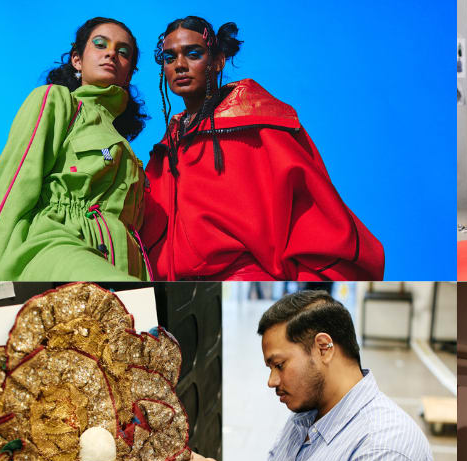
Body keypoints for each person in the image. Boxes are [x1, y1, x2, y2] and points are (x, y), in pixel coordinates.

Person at [181, 290, 434, 461]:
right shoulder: (307, 417)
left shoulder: (386, 446)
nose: (272, 381)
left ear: (324, 348)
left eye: (279, 365)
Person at [141, 16, 385, 281]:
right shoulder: (168, 147)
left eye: (193, 53)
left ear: (218, 60)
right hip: (179, 288)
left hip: (246, 279)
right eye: (169, 57)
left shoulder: (258, 126)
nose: (180, 65)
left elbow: (312, 210)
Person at [0, 17, 151, 281]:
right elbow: (10, 189)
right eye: (100, 44)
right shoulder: (57, 101)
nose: (111, 53)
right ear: (77, 60)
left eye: (123, 52)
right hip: (58, 246)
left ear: (129, 72)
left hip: (124, 266)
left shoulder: (131, 155)